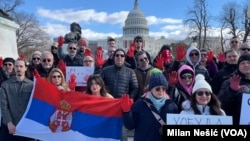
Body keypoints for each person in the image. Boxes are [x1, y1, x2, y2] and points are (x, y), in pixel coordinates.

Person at [121, 72, 178, 141]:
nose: (161, 91)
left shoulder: (172, 106)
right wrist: (126, 112)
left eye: (163, 89)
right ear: (151, 89)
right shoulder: (140, 104)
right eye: (157, 89)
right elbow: (130, 125)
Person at [0, 59, 36, 141]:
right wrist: (9, 122)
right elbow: (4, 106)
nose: (19, 68)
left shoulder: (32, 85)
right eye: (16, 66)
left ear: (25, 68)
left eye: (21, 66)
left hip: (26, 127)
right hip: (9, 127)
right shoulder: (5, 85)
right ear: (14, 68)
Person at [218, 54, 250, 124]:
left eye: (249, 63)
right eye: (243, 63)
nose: (246, 65)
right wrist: (231, 90)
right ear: (238, 67)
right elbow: (219, 105)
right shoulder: (229, 82)